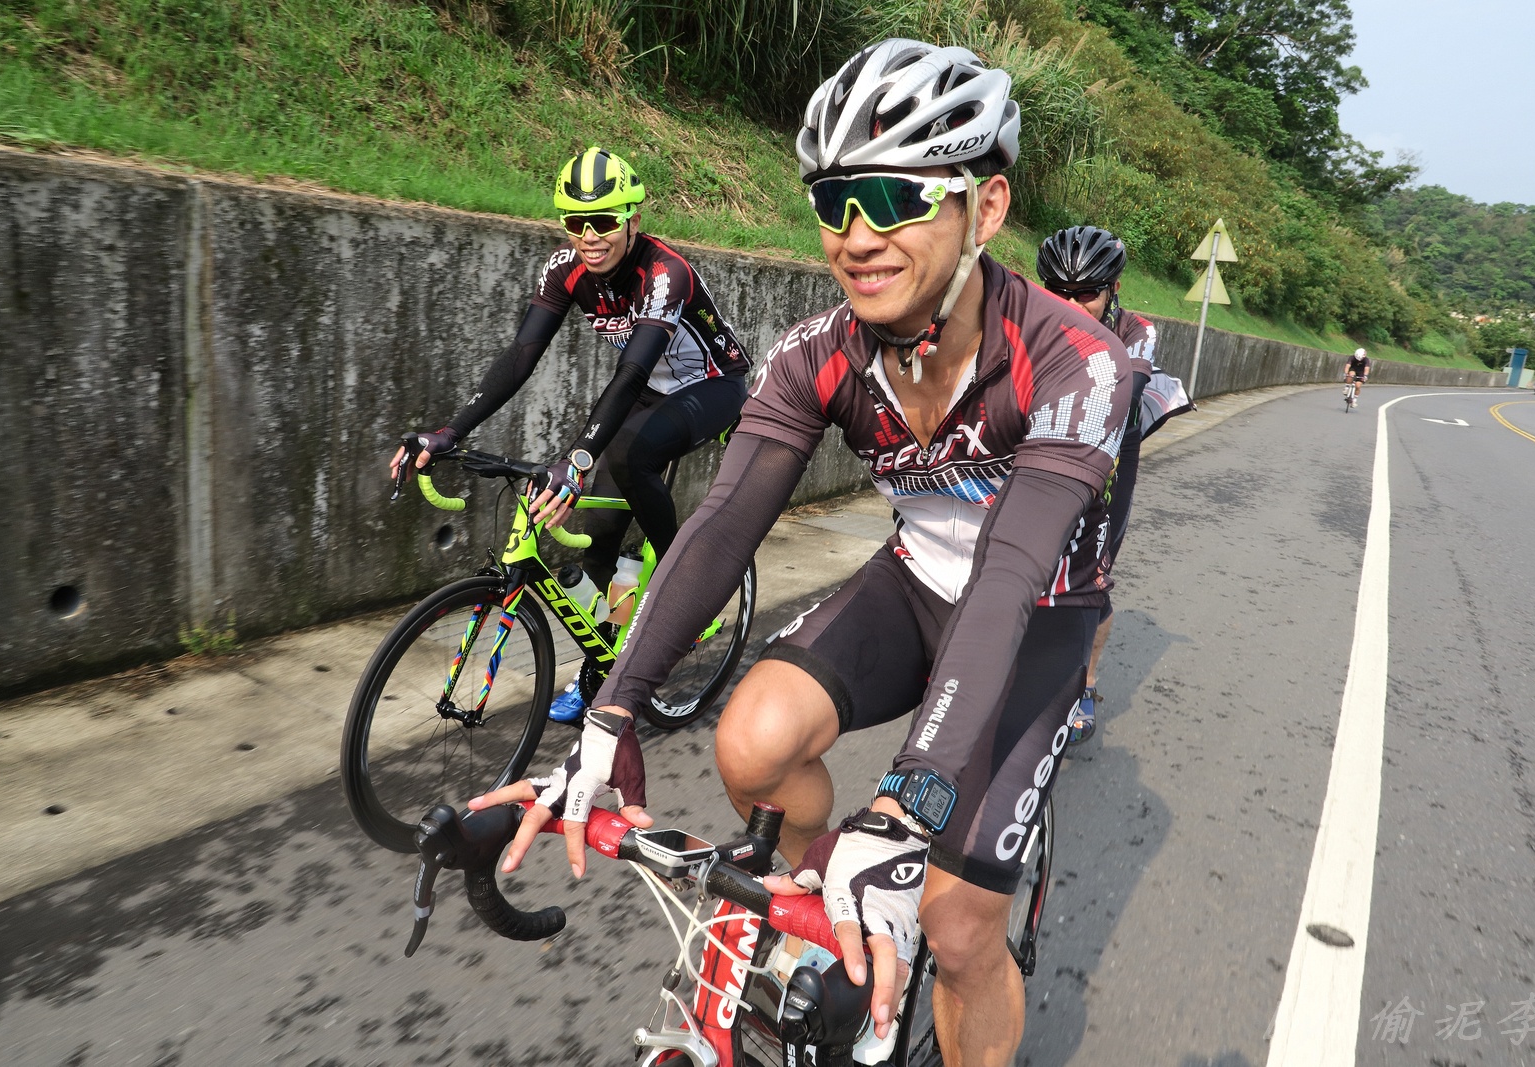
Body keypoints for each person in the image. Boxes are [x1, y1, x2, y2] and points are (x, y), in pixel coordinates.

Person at [470, 41, 1134, 1067]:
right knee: (752, 745)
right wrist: (614, 709)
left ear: (986, 208)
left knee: (960, 927)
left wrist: (906, 805)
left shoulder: (1076, 361)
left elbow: (1009, 572)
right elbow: (722, 523)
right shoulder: (815, 351)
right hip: (919, 584)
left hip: (1036, 609)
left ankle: (905, 899)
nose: (857, 236)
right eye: (834, 201)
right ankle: (827, 902)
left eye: (895, 197)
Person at [390, 146, 751, 721]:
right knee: (601, 532)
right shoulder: (566, 269)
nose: (590, 236)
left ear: (633, 219)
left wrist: (578, 458)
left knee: (628, 458)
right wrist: (448, 432)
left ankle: (687, 589)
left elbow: (630, 372)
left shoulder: (666, 274)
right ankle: (604, 668)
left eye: (603, 221)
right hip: (649, 388)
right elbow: (521, 355)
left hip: (711, 383)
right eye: (575, 222)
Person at [1035, 226, 1156, 745]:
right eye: (1058, 292)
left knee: (1092, 573)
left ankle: (1084, 683)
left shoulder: (1136, 329)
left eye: (1086, 293)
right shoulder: (1029, 314)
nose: (1071, 305)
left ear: (1113, 289)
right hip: (1043, 437)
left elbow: (1127, 388)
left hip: (1112, 447)